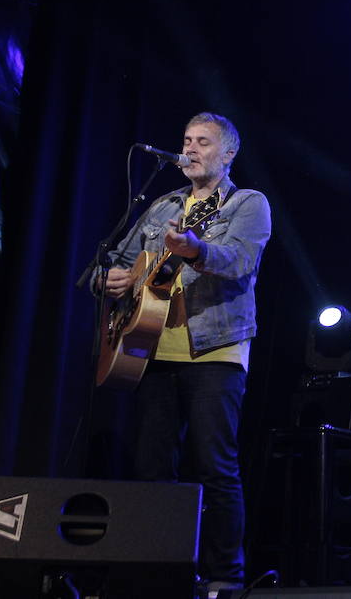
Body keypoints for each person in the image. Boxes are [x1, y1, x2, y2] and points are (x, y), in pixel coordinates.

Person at [102, 112, 271, 594]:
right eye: (186, 140)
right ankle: (155, 570)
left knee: (214, 465)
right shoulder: (163, 206)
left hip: (214, 351)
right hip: (148, 350)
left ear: (229, 153)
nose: (190, 149)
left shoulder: (247, 203)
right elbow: (113, 262)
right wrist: (108, 281)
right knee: (152, 465)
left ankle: (224, 576)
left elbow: (240, 261)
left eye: (203, 142)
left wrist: (195, 249)